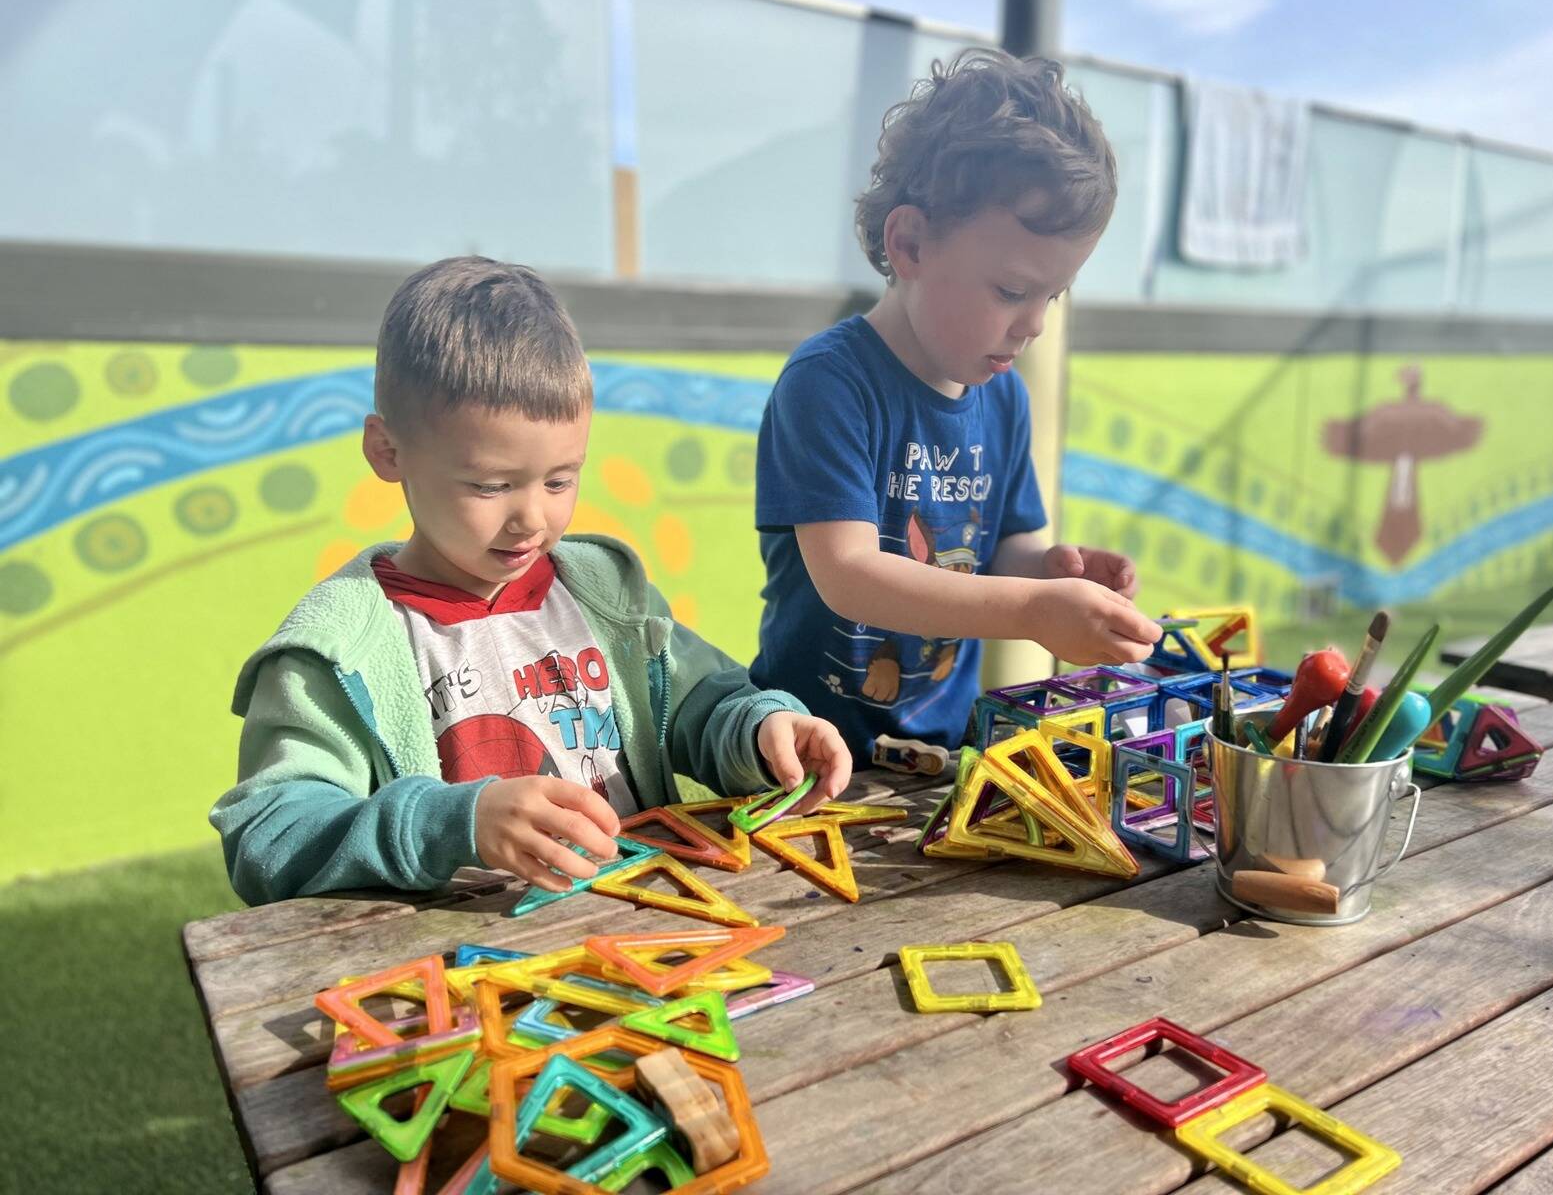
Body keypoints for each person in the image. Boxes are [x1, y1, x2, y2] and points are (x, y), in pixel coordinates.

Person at [212, 257, 851, 905]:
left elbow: (702, 707)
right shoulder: (341, 649)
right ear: (388, 451)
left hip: (642, 946)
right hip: (458, 978)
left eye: (560, 480)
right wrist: (455, 824)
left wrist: (761, 731)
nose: (532, 518)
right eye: (491, 486)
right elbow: (268, 838)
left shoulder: (605, 596)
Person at [752, 48, 1163, 763]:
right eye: (1010, 291)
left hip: (941, 756)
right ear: (909, 242)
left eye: (1053, 296)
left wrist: (1055, 571)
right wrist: (1033, 610)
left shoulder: (1001, 397)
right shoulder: (829, 383)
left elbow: (1008, 548)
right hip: (808, 758)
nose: (1034, 323)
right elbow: (849, 574)